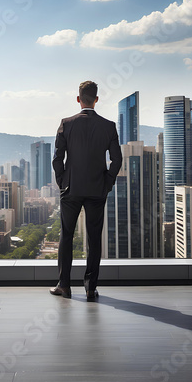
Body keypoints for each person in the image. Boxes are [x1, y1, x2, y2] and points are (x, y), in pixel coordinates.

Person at [50, 81, 122, 301]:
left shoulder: (66, 123)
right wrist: (107, 182)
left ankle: (64, 286)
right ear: (97, 99)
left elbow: (57, 158)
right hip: (97, 189)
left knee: (67, 236)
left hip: (71, 189)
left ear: (78, 99)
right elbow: (117, 160)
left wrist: (63, 181)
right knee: (94, 238)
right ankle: (91, 288)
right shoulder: (108, 126)